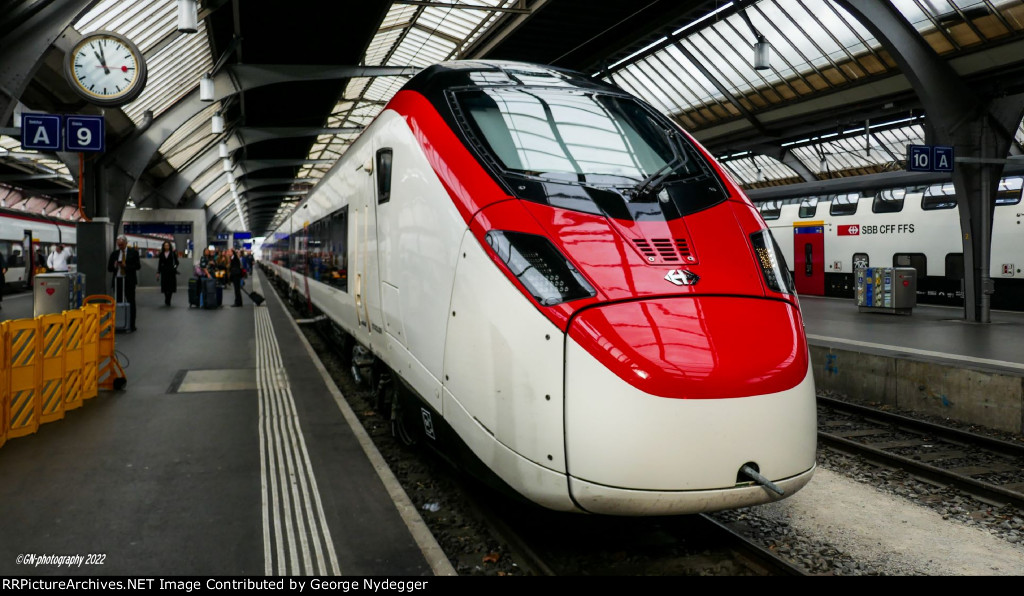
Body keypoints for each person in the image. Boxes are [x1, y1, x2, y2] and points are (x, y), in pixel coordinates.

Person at [107, 235, 141, 332]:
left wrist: (126, 266)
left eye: (121, 245)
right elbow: (109, 268)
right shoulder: (114, 254)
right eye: (118, 245)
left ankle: (131, 325)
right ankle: (118, 323)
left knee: (131, 302)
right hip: (118, 280)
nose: (120, 247)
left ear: (126, 243)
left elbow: (138, 266)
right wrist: (114, 266)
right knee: (118, 302)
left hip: (129, 280)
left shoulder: (133, 253)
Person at [156, 241, 179, 307]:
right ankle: (166, 298)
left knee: (170, 286)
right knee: (165, 286)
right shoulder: (161, 254)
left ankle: (168, 299)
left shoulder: (173, 253)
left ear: (169, 246)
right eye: (165, 245)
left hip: (171, 272)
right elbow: (159, 264)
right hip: (164, 272)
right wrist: (158, 272)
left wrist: (174, 268)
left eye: (167, 245)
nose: (166, 247)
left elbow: (177, 262)